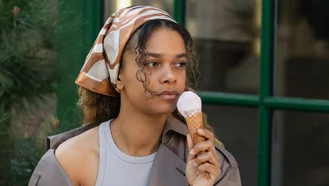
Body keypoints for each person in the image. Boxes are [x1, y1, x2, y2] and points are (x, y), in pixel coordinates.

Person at [28, 5, 241, 186]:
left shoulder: (212, 166)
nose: (170, 76)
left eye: (179, 64)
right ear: (117, 76)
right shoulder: (69, 161)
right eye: (152, 63)